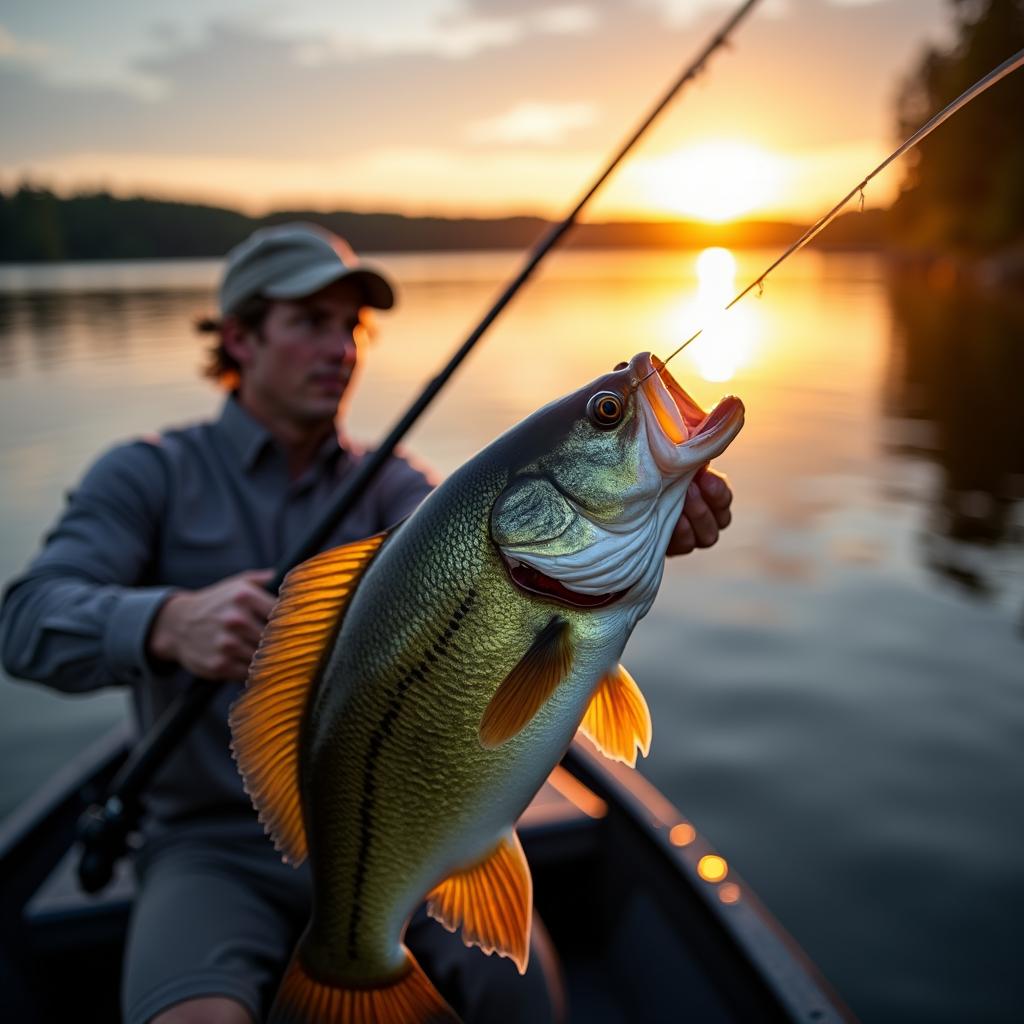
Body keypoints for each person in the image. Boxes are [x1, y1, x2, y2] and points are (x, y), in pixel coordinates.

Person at [0, 222, 734, 1024]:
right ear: (239, 337)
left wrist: (650, 523)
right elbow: (26, 623)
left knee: (522, 1000)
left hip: (396, 831)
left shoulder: (400, 494)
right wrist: (163, 622)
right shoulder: (145, 473)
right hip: (208, 845)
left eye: (350, 327)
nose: (341, 348)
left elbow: (525, 600)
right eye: (311, 322)